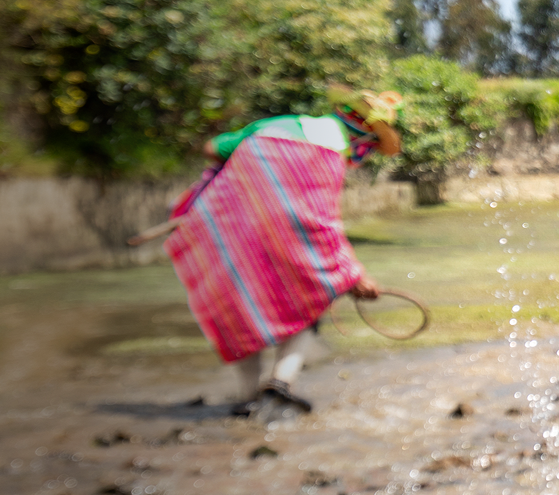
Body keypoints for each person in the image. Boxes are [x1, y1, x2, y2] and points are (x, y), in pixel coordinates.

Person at [131, 89, 404, 418]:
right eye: (372, 147)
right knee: (309, 295)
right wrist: (353, 275)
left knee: (240, 303)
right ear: (366, 138)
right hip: (284, 238)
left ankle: (248, 396)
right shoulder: (330, 154)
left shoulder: (276, 125)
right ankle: (279, 383)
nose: (369, 155)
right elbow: (319, 223)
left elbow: (212, 148)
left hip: (235, 233)